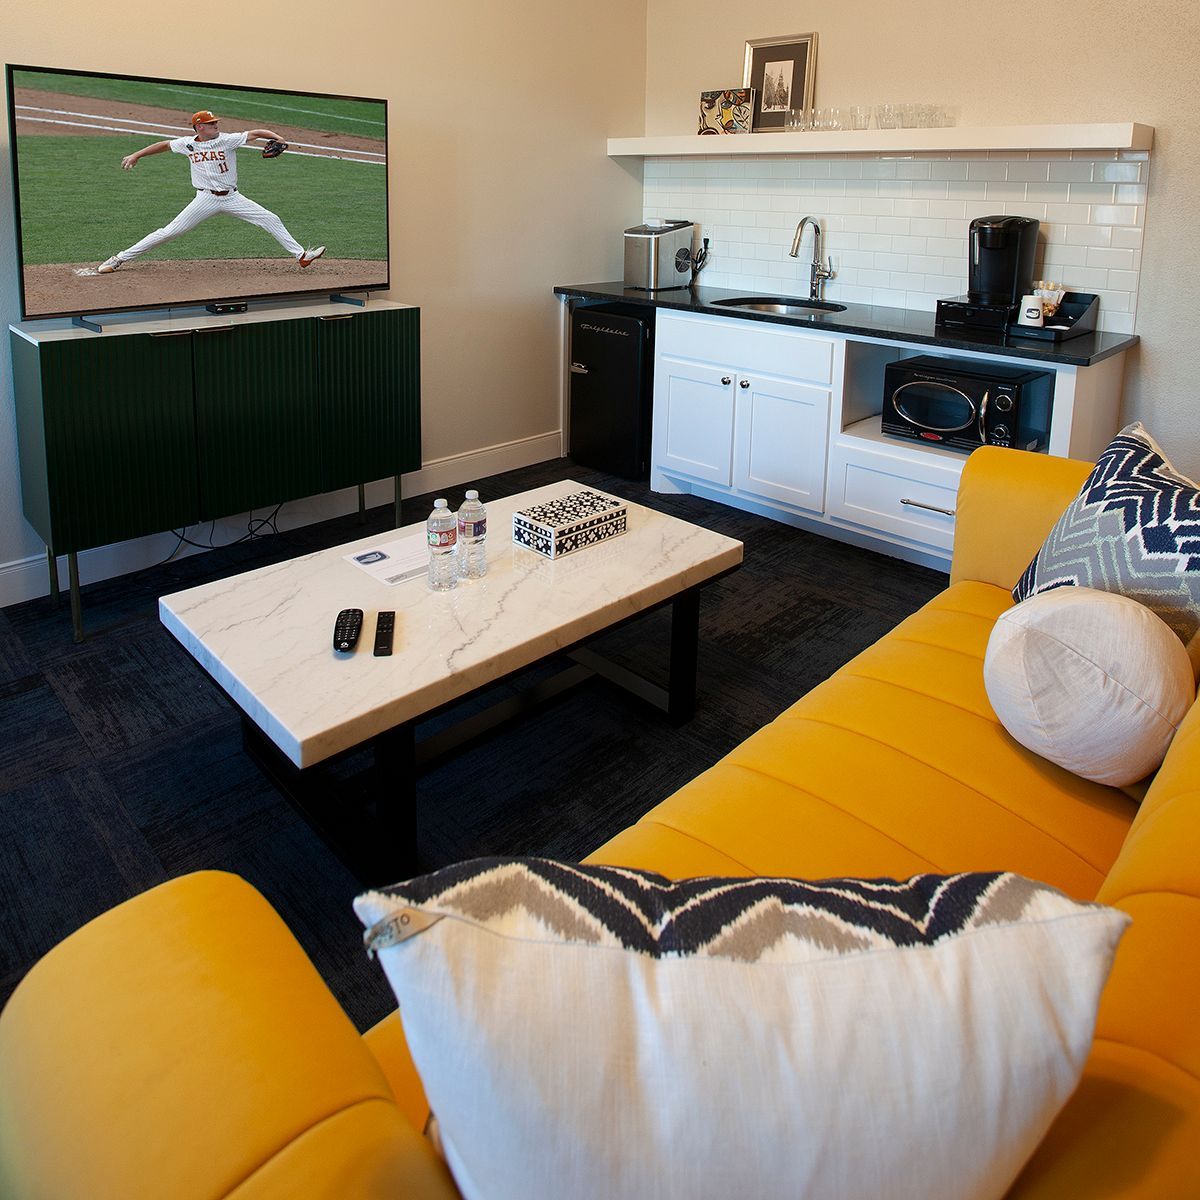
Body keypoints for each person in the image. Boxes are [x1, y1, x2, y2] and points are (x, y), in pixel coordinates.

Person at [98, 110, 324, 273]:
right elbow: (165, 144)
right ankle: (119, 259)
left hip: (233, 197)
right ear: (200, 127)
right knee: (170, 232)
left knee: (270, 218)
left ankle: (302, 256)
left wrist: (277, 138)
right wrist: (136, 155)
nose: (216, 126)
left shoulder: (228, 140)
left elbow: (255, 132)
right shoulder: (188, 144)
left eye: (216, 123)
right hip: (205, 198)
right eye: (211, 124)